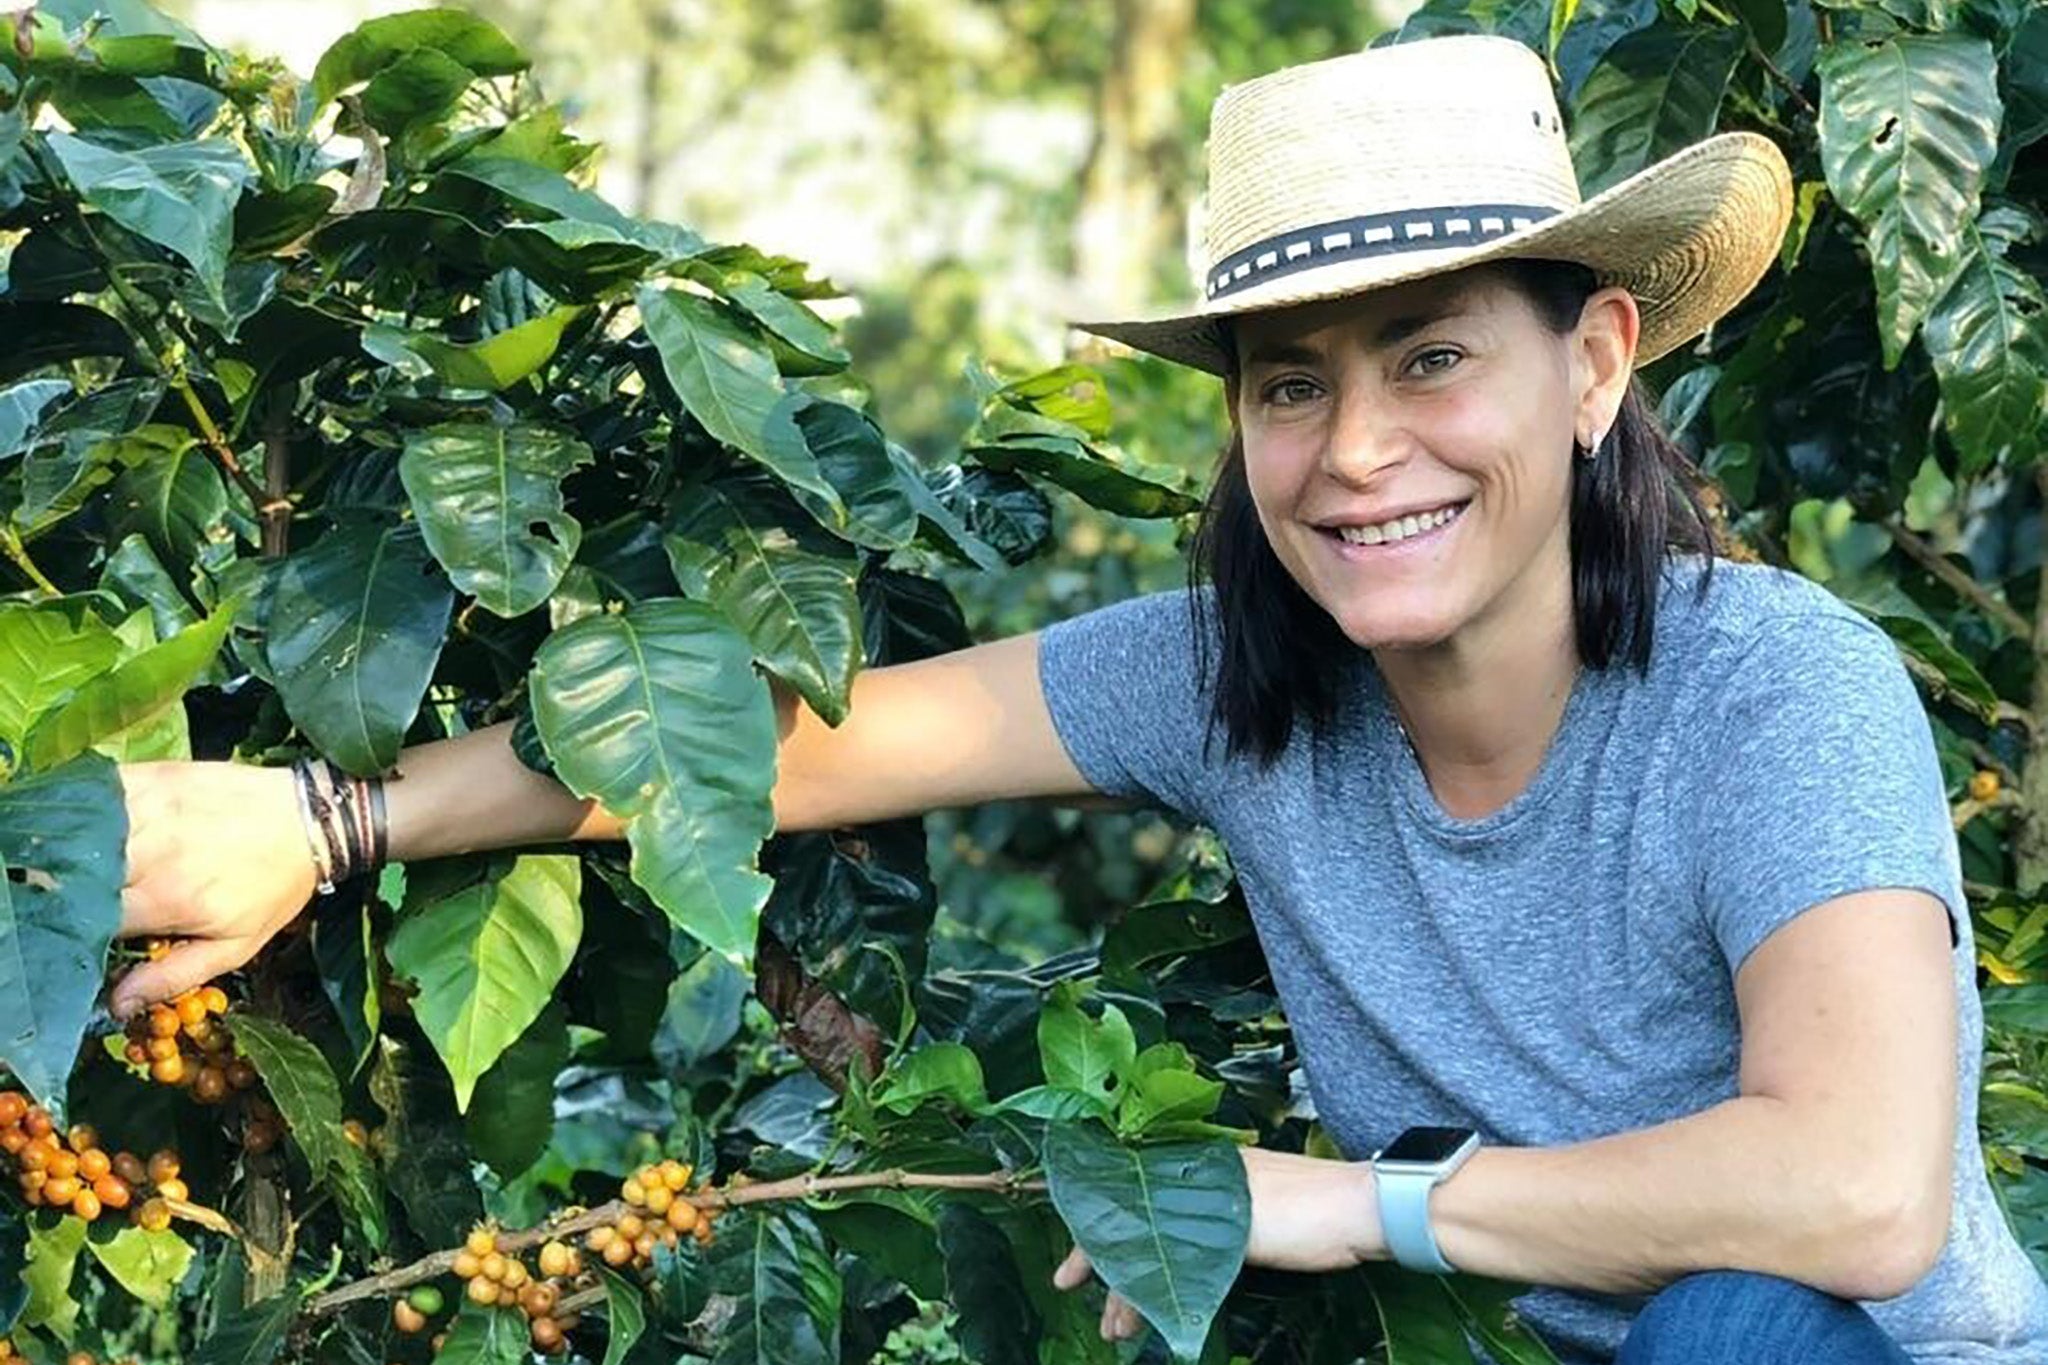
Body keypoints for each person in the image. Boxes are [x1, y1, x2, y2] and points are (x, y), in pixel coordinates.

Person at [109, 34, 2047, 1365]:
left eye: (1431, 355)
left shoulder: (1773, 687)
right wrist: (324, 818)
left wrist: (1329, 1203)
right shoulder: (1245, 678)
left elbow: (1854, 1190)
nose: (1358, 448)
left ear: (1594, 358)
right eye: (1287, 383)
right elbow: (789, 746)